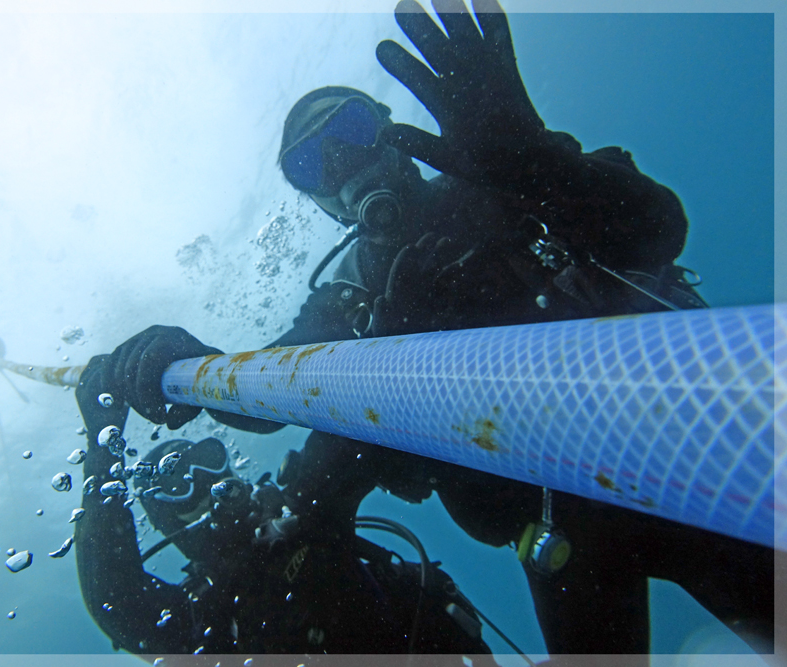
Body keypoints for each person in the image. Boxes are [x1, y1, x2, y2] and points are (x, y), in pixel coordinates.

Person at [76, 0, 774, 659]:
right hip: (563, 538)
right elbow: (280, 387)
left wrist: (540, 163)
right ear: (316, 201)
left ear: (388, 131)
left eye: (349, 132)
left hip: (695, 459)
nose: (343, 166)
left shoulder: (499, 181)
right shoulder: (349, 300)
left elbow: (657, 229)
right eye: (312, 165)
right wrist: (198, 366)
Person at [72, 375, 500, 660]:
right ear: (168, 523)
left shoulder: (306, 512)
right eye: (178, 482)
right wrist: (102, 446)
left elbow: (361, 416)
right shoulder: (201, 621)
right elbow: (114, 598)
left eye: (208, 459)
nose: (203, 481)